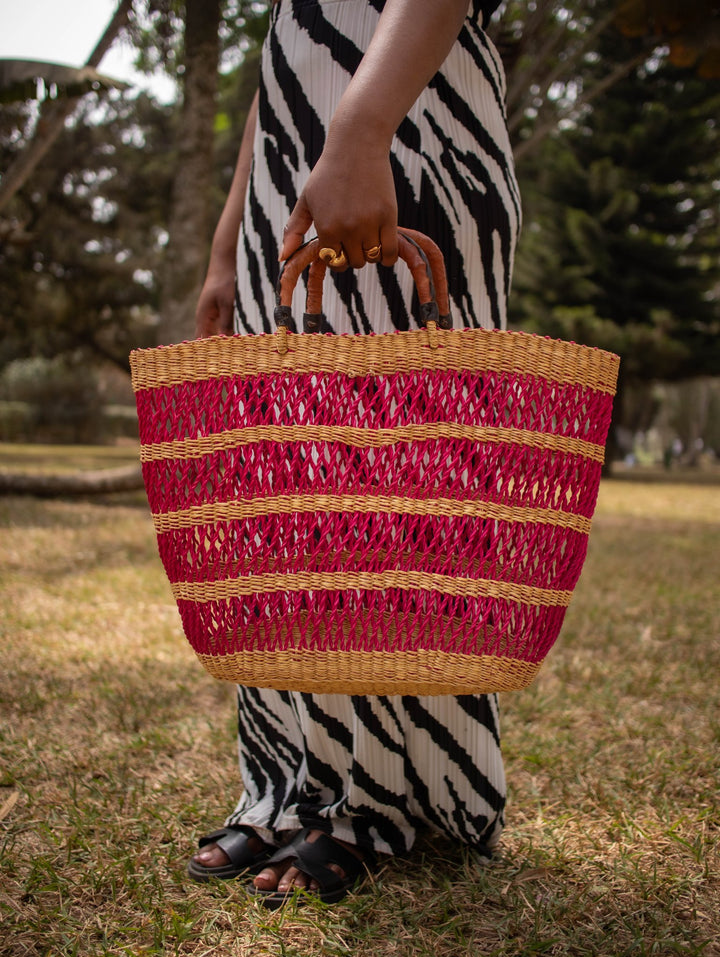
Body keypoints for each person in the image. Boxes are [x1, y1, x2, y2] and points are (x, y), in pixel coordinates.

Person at [189, 0, 520, 907]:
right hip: (295, 145)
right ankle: (291, 780)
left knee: (383, 478)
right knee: (288, 491)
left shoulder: (376, 125)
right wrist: (229, 242)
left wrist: (364, 127)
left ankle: (378, 798)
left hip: (410, 121)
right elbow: (286, 42)